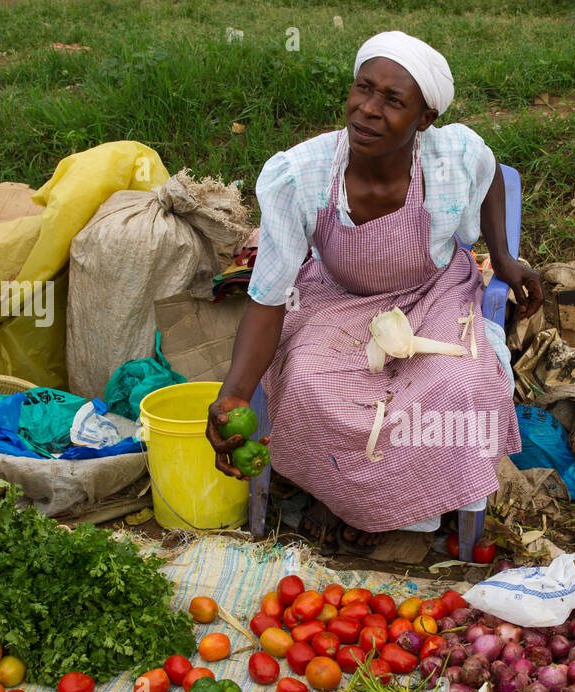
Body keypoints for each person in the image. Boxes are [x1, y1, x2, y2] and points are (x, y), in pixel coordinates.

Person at [206, 30, 543, 552]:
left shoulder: (452, 155)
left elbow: (492, 173)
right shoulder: (301, 176)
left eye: (393, 101)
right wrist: (233, 393)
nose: (367, 110)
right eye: (363, 89)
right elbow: (268, 296)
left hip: (433, 293)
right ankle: (356, 499)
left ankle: (422, 503)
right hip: (335, 296)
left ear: (424, 119)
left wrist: (502, 256)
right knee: (311, 382)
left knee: (455, 388)